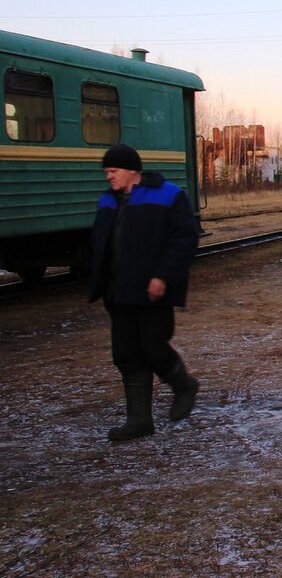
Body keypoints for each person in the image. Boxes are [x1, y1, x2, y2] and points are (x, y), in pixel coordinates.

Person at [87, 144, 200, 442]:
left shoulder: (168, 195)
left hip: (151, 291)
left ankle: (184, 385)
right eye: (107, 172)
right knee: (126, 354)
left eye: (113, 171)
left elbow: (185, 240)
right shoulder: (108, 201)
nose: (109, 177)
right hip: (118, 293)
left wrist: (162, 276)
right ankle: (139, 420)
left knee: (153, 347)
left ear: (132, 170)